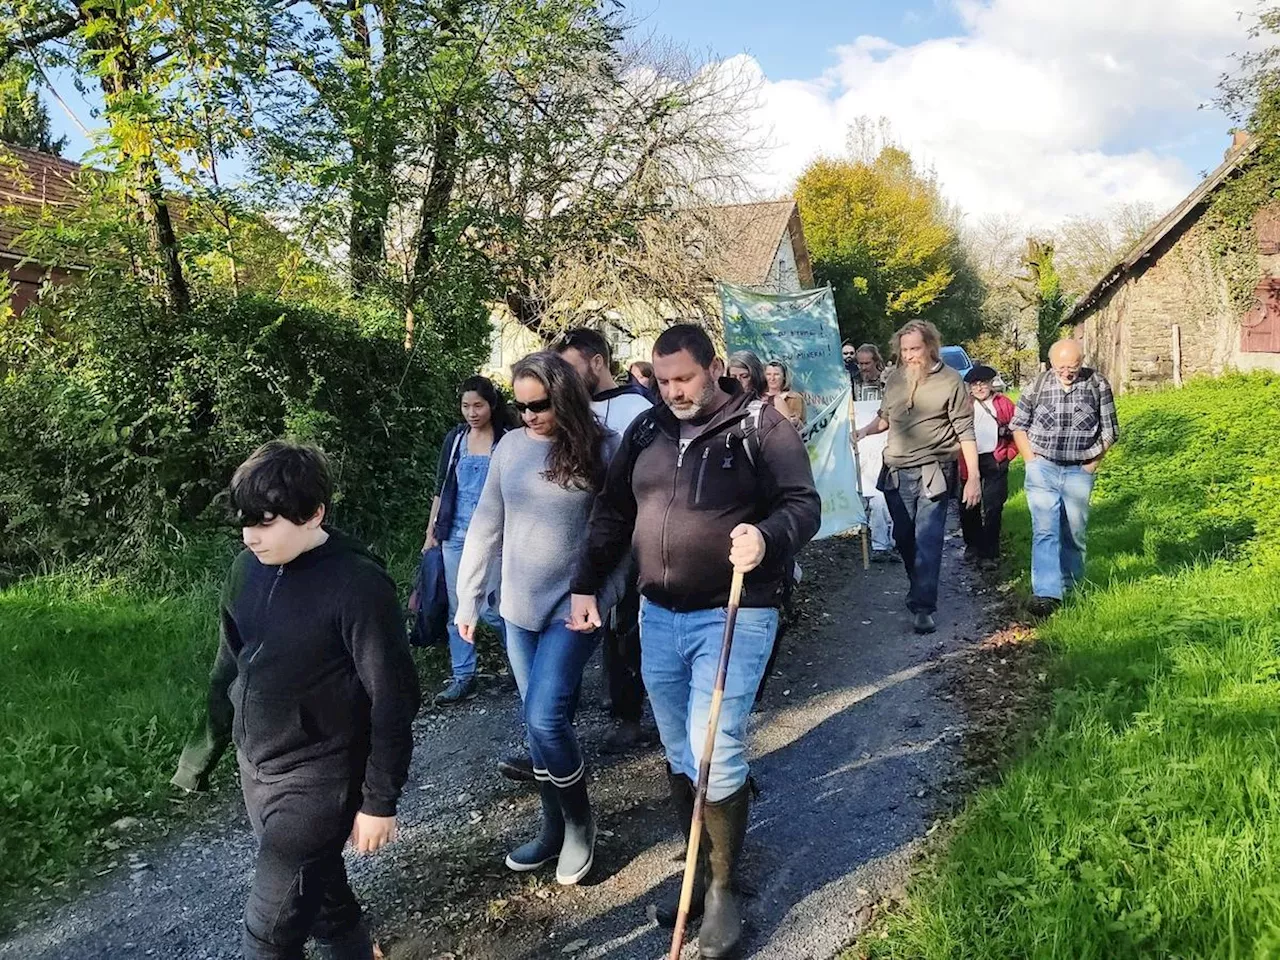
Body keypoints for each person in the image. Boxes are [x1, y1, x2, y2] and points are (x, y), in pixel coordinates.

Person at [569, 324, 821, 958]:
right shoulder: (648, 431)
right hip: (658, 612)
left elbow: (802, 503)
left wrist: (767, 536)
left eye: (684, 378)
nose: (673, 391)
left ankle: (724, 893)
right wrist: (585, 584)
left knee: (718, 742)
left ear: (712, 368)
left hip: (736, 610)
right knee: (680, 744)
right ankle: (700, 867)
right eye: (662, 380)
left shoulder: (760, 426)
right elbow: (612, 511)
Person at [171, 441, 420, 960]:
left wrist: (378, 800)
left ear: (313, 514)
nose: (250, 536)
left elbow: (394, 698)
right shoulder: (245, 568)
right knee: (324, 898)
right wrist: (200, 756)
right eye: (243, 522)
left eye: (264, 522)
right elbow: (228, 666)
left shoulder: (358, 585)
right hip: (256, 768)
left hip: (319, 778)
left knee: (269, 933)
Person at [455, 351, 626, 886]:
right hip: (518, 609)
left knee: (547, 717)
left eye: (540, 405)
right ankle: (551, 829)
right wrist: (468, 597)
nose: (529, 415)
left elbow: (622, 537)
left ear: (565, 396)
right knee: (536, 724)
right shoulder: (509, 446)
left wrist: (608, 596)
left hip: (573, 610)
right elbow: (486, 523)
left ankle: (579, 824)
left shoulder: (603, 449)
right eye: (521, 405)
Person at [557, 328, 655, 753]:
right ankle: (555, 731)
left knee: (622, 626)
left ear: (597, 362)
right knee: (567, 626)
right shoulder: (568, 411)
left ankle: (628, 715)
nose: (566, 377)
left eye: (573, 367)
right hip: (576, 537)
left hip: (628, 536)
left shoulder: (638, 408)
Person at [855, 320, 980, 635]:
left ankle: (923, 607)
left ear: (930, 347)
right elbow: (885, 419)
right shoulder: (895, 379)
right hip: (896, 471)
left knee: (927, 539)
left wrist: (974, 478)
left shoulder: (951, 381)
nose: (909, 356)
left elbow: (965, 430)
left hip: (933, 472)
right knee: (904, 539)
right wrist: (862, 432)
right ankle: (918, 587)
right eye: (905, 350)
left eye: (915, 349)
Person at [1010, 339, 1119, 617]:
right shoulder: (1037, 385)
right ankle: (1046, 595)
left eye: (1073, 367)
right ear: (1051, 363)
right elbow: (1018, 426)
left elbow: (1110, 431)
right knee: (1045, 530)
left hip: (1078, 470)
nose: (1067, 372)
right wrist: (1031, 462)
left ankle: (1072, 588)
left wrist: (1090, 466)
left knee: (1074, 532)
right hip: (1043, 466)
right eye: (1061, 367)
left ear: (1081, 362)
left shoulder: (1097, 384)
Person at [421, 377, 511, 706]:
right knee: (458, 609)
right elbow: (440, 487)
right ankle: (463, 676)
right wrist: (431, 532)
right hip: (454, 535)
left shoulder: (507, 440)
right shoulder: (455, 439)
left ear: (492, 405)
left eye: (478, 405)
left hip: (495, 539)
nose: (471, 412)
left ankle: (521, 664)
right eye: (465, 406)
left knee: (492, 610)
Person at [958, 365, 1018, 570]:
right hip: (968, 460)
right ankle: (972, 545)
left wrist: (1009, 454)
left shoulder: (1004, 404)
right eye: (975, 384)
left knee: (993, 506)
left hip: (995, 458)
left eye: (983, 383)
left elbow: (1018, 431)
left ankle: (990, 552)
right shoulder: (964, 405)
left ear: (991, 384)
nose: (979, 387)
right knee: (968, 505)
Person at [763, 360, 806, 428]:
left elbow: (804, 428)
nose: (772, 378)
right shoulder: (758, 397)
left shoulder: (795, 398)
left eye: (776, 374)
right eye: (768, 374)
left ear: (784, 377)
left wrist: (796, 423)